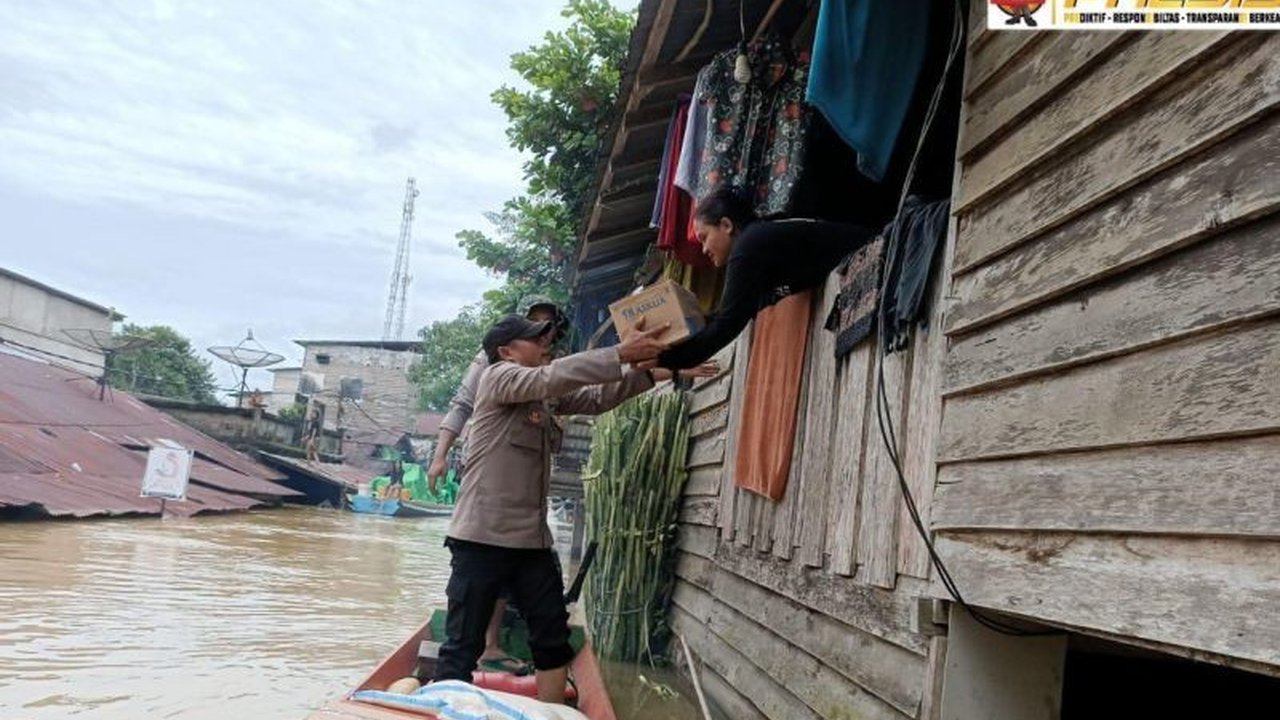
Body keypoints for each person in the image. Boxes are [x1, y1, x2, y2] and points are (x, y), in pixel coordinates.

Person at [432, 313, 669, 703]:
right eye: (534, 339)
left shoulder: (542, 395)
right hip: (480, 538)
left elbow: (596, 397)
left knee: (552, 634)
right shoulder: (498, 377)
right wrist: (620, 352)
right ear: (506, 351)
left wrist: (663, 371)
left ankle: (550, 712)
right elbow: (551, 376)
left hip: (530, 543)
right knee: (462, 645)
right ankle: (442, 709)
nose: (546, 344)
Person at [655, 185, 876, 370]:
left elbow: (727, 325)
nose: (703, 249)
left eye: (704, 238)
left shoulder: (747, 248)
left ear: (726, 225)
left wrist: (663, 360)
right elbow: (734, 311)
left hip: (872, 254)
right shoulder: (756, 240)